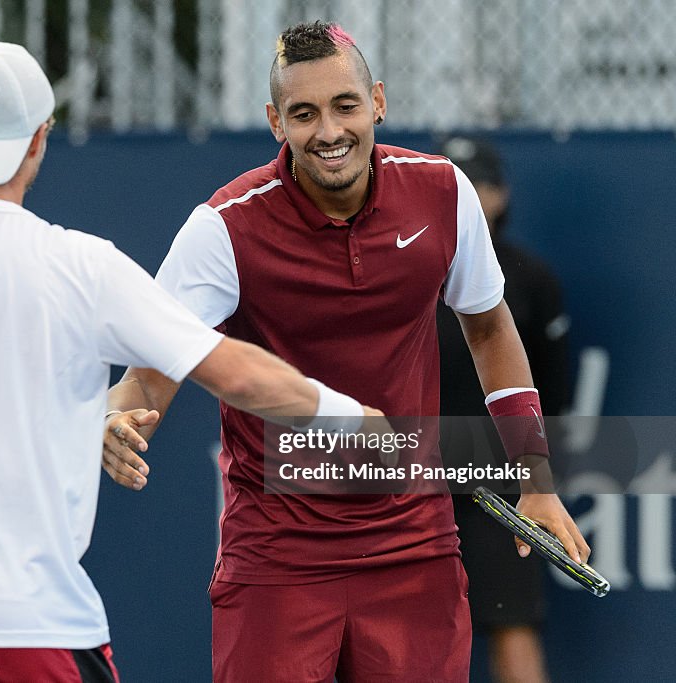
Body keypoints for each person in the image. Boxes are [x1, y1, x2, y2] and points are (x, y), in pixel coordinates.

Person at [0, 41, 384, 682]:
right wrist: (351, 417)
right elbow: (237, 374)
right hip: (32, 634)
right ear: (39, 140)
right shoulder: (81, 266)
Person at [100, 21, 589, 682]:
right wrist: (118, 415)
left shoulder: (444, 194)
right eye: (304, 113)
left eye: (345, 105)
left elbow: (489, 327)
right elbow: (149, 374)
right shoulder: (223, 228)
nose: (328, 131)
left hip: (415, 544)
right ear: (276, 121)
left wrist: (534, 475)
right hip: (276, 555)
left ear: (378, 101)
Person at [438, 136, 570, 683]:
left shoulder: (531, 277)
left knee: (511, 621)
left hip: (499, 477)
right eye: (452, 181)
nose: (466, 194)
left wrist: (531, 466)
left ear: (499, 194)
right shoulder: (407, 263)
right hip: (406, 467)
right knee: (406, 632)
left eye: (477, 182)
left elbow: (552, 388)